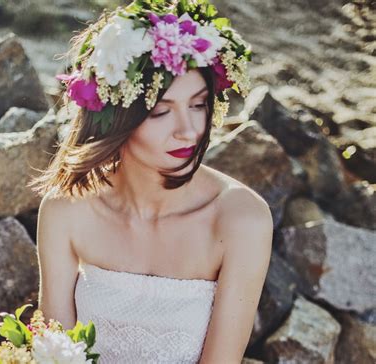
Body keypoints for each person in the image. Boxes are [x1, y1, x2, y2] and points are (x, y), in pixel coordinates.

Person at [29, 1, 273, 363]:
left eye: (198, 104)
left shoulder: (242, 220)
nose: (188, 131)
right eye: (161, 111)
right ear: (117, 114)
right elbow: (56, 350)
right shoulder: (66, 209)